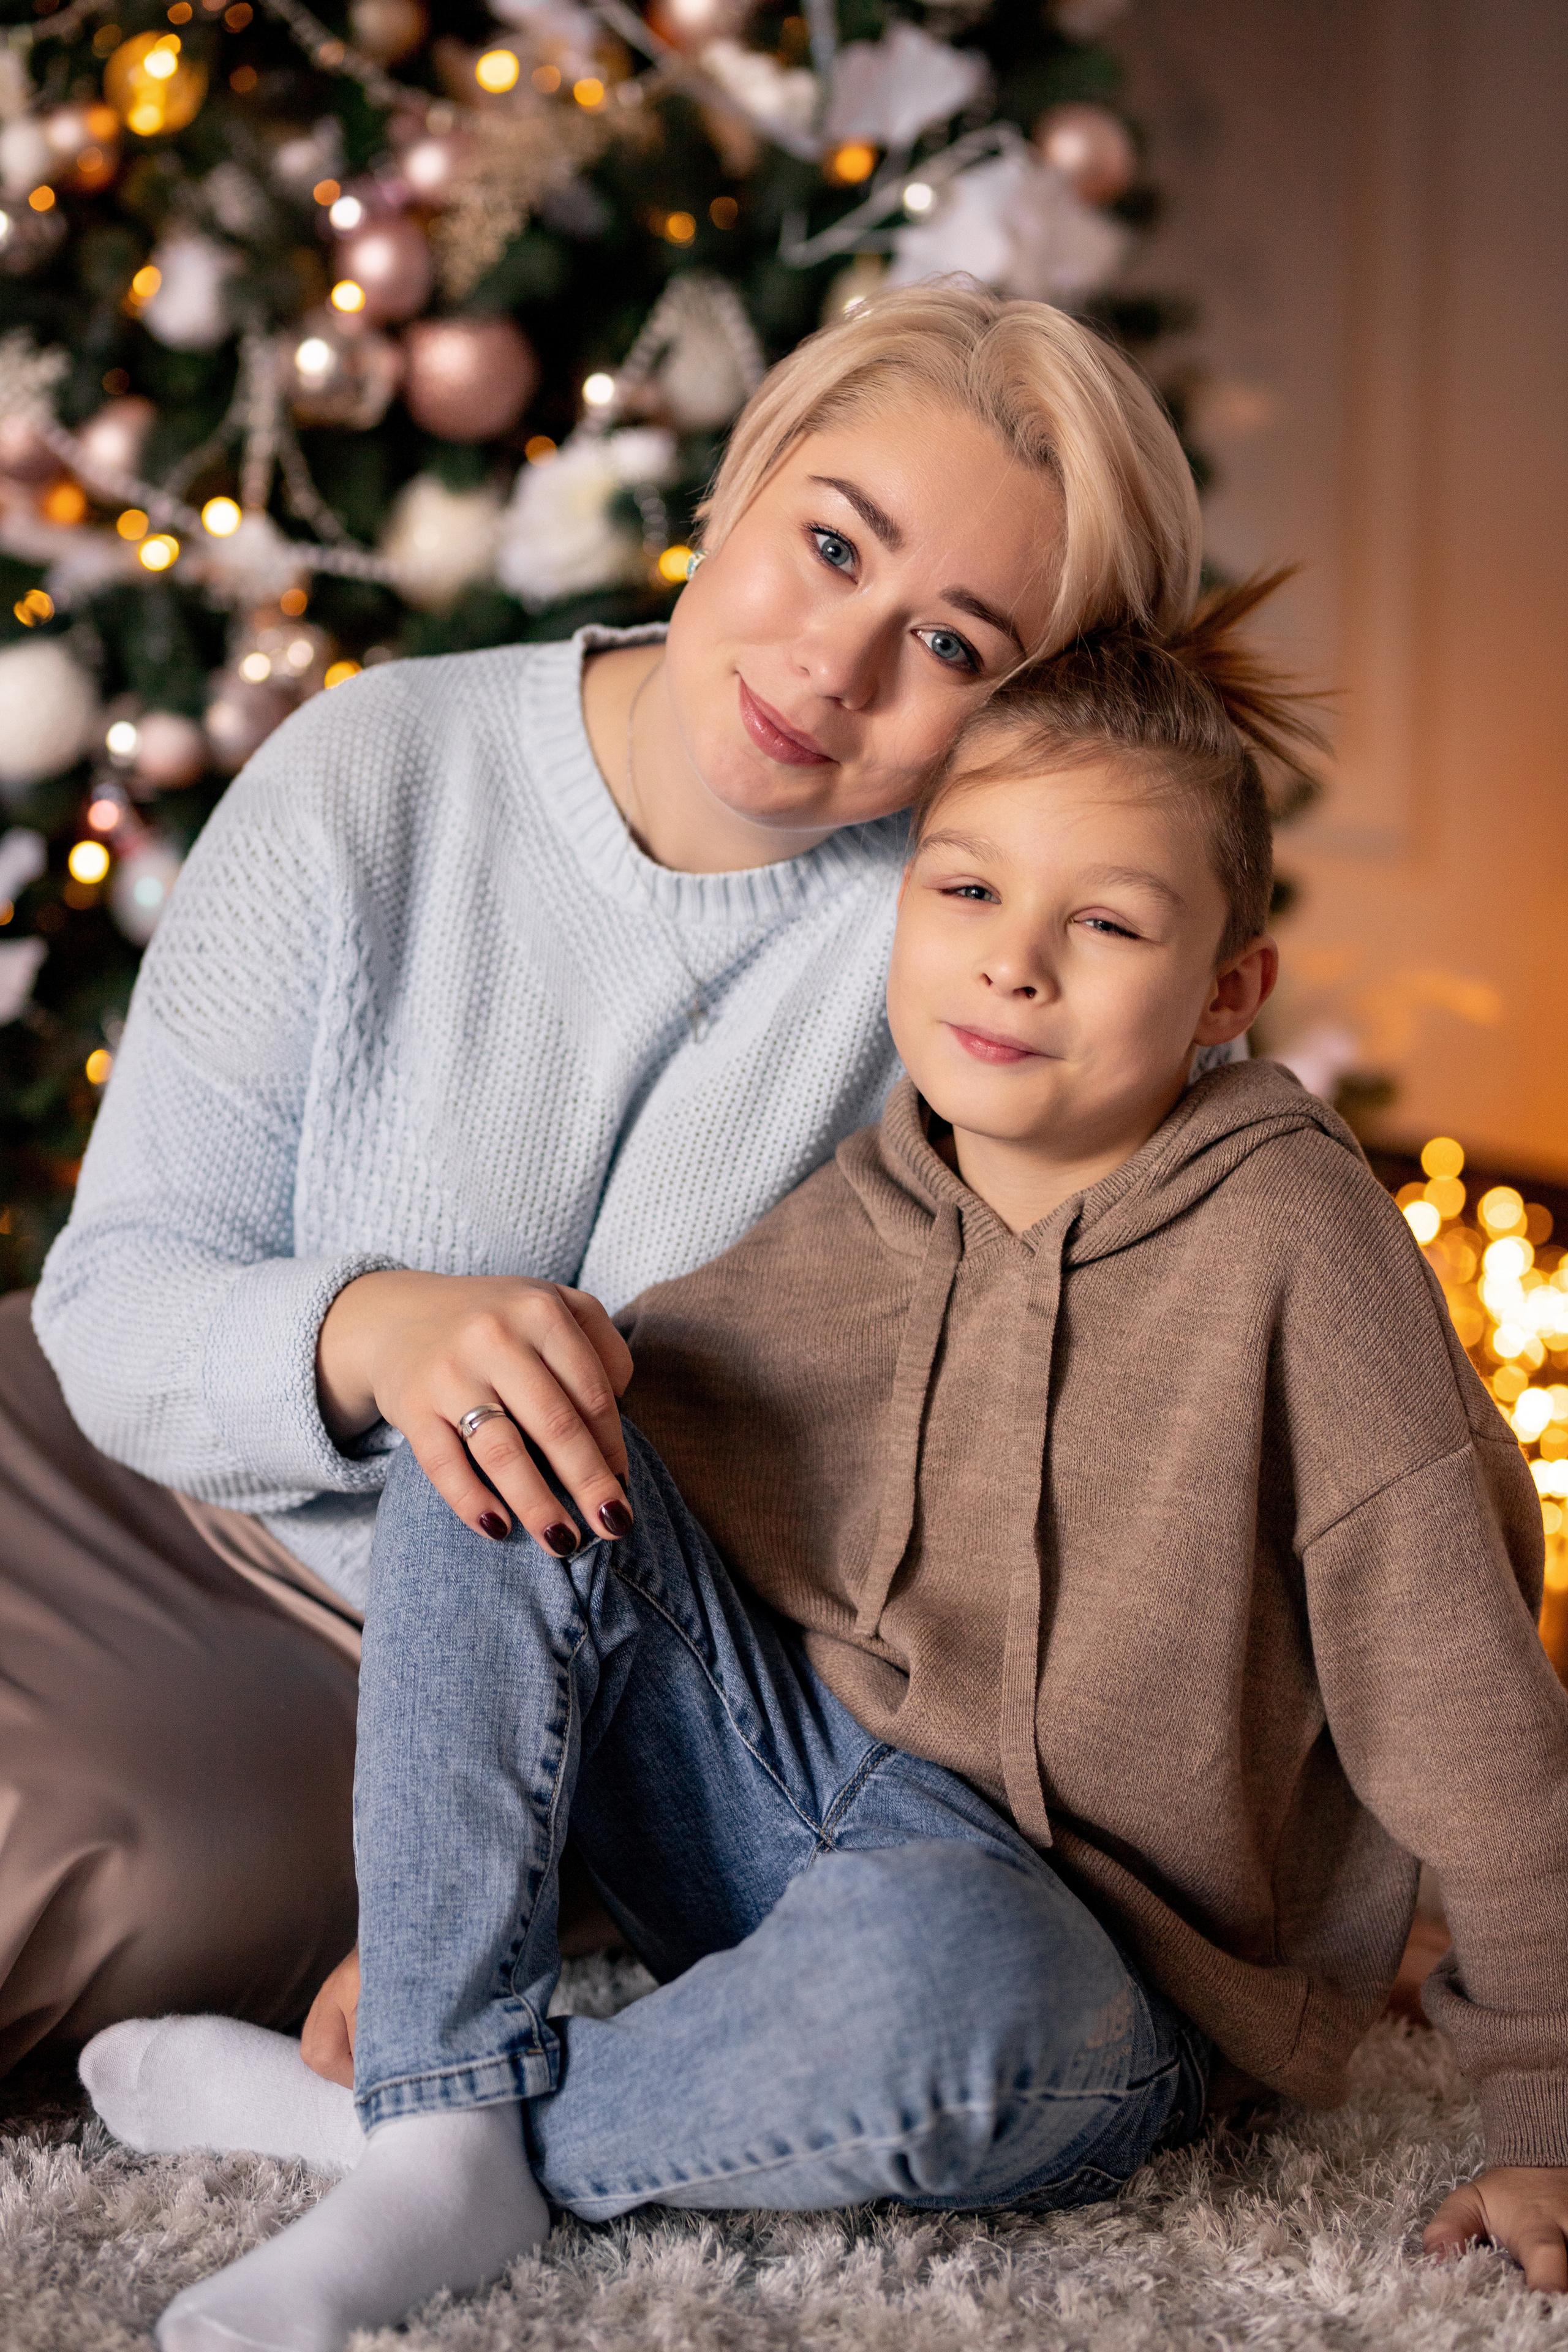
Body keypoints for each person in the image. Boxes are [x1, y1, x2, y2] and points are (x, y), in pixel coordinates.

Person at [90, 586, 1568, 2352]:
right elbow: (595, 1565)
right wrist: (450, 1931)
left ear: (1223, 993)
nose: (1014, 962)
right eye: (966, 892)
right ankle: (449, 2093)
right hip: (800, 1815)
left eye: (1104, 923)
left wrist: (1548, 2110)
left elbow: (1470, 1709)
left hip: (1095, 1980)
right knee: (501, 1416)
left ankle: (405, 2136)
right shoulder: (868, 1203)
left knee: (945, 1990)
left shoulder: (1293, 1241)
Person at [2, 282, 1206, 2068]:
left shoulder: (972, 966)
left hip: (401, 1664)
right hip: (107, 1459)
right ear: (738, 480)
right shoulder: (377, 768)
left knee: (89, 1879)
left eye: (954, 647)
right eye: (827, 546)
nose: (832, 666)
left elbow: (1166, 1382)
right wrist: (375, 1332)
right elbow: (117, 1302)